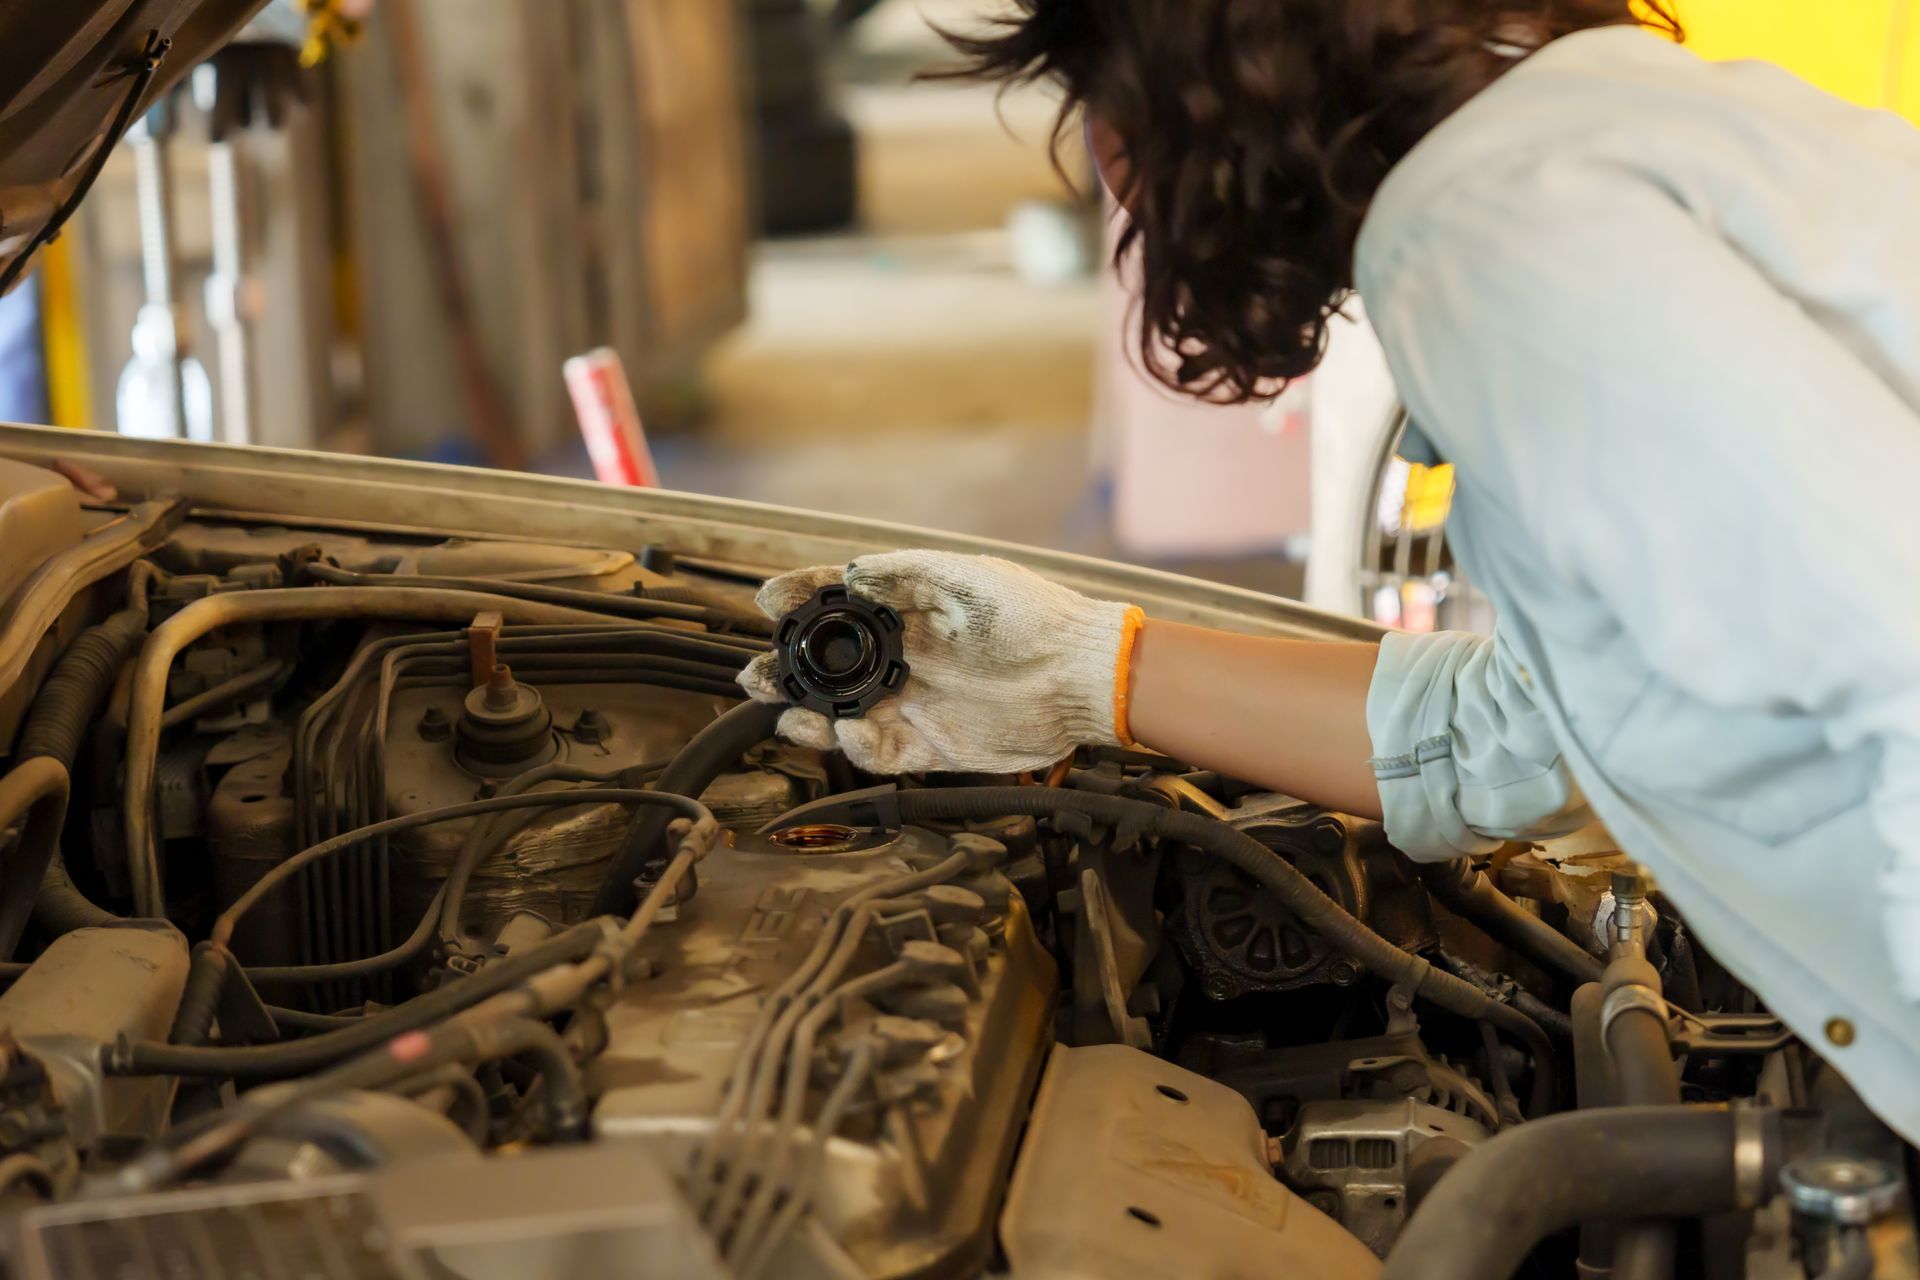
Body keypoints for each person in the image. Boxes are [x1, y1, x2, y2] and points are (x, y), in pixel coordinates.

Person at [738, 2, 1920, 1143]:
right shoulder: (1574, 152)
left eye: (1099, 103)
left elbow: (1899, 671)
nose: (1106, 169)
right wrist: (1082, 664)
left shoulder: (1491, 231)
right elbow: (1543, 725)